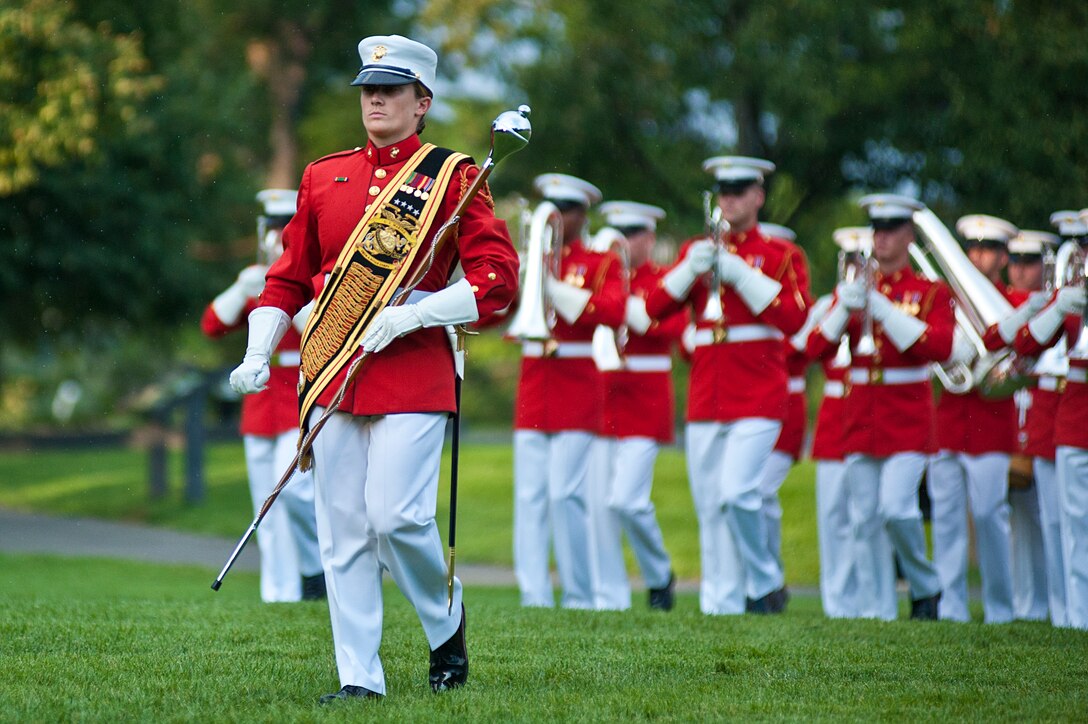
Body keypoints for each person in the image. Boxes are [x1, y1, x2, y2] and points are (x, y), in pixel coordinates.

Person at [229, 35, 519, 701]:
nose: (376, 99)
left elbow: (498, 281)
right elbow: (287, 280)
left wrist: (418, 314)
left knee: (396, 517)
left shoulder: (452, 177)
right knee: (343, 530)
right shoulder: (322, 175)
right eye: (368, 89)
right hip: (331, 370)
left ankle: (445, 623)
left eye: (391, 89)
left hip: (413, 369)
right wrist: (258, 349)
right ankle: (360, 679)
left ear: (422, 102)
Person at [646, 156, 808, 615]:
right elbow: (652, 308)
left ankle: (764, 578)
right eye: (725, 191)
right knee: (710, 506)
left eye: (740, 191)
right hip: (707, 394)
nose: (730, 200)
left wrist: (739, 272)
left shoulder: (781, 254)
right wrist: (687, 271)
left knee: (739, 492)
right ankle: (721, 603)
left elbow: (795, 319)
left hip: (758, 391)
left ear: (758, 196)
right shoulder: (697, 251)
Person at [807, 194, 950, 621]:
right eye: (877, 229)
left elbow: (939, 346)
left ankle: (925, 583)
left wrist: (884, 310)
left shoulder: (929, 291)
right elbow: (814, 349)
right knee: (864, 517)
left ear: (908, 235)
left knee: (896, 509)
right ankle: (877, 610)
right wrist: (842, 309)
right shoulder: (855, 287)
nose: (882, 237)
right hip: (861, 414)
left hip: (906, 414)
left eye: (891, 229)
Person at [201, 188, 324, 604]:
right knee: (264, 509)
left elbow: (320, 330)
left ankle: (314, 569)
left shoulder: (315, 278)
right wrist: (241, 289)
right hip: (259, 407)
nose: (276, 237)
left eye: (283, 229)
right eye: (272, 229)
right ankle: (280, 593)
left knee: (293, 494)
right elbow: (212, 326)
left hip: (296, 400)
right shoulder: (258, 278)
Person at [512, 173, 625, 609]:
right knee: (529, 496)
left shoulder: (600, 261)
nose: (560, 215)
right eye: (553, 205)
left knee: (565, 493)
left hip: (578, 381)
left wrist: (552, 288)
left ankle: (579, 593)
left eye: (569, 207)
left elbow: (613, 310)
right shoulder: (533, 257)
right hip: (535, 379)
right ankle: (534, 594)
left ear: (583, 214)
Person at [926, 214, 1042, 623]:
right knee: (946, 519)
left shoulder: (1012, 303)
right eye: (972, 248)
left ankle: (999, 608)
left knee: (991, 517)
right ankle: (951, 607)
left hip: (991, 425)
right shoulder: (945, 298)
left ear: (1002, 256)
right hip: (948, 421)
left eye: (988, 250)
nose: (978, 256)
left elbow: (1018, 351)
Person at [591, 200, 685, 611]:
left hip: (645, 395)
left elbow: (672, 327)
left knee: (627, 500)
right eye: (621, 233)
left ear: (649, 237)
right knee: (600, 506)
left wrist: (622, 303)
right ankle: (609, 596)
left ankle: (659, 573)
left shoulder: (663, 280)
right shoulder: (602, 277)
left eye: (635, 234)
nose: (626, 242)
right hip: (604, 393)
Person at [1013, 210, 1088, 628]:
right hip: (1077, 412)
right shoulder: (1073, 291)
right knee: (1072, 525)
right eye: (1080, 245)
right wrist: (1058, 308)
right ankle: (1077, 618)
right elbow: (1026, 345)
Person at [1005, 230, 1060, 621]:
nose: (1021, 270)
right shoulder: (1001, 302)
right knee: (1020, 521)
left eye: (1030, 262)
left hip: (1050, 408)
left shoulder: (1062, 302)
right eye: (1015, 261)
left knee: (1057, 516)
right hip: (1013, 411)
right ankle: (1027, 604)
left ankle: (1061, 604)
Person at [755, 222, 812, 580]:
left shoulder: (799, 305)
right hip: (755, 396)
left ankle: (770, 574)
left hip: (785, 403)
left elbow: (798, 346)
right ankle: (760, 575)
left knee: (760, 491)